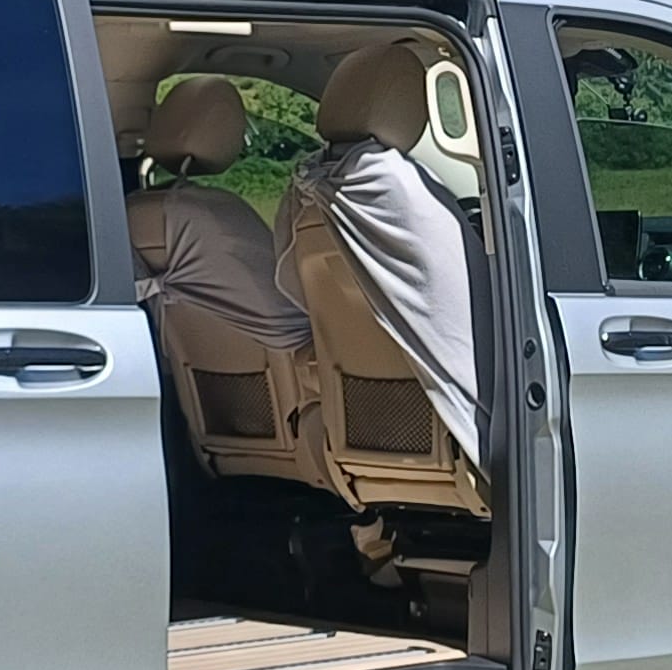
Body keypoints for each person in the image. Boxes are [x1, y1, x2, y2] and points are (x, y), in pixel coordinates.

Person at [282, 41, 479, 456]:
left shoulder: (306, 193)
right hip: (447, 435)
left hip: (358, 440)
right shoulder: (407, 196)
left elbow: (289, 301)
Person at [126, 76, 309, 351]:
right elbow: (291, 326)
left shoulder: (128, 214)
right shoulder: (221, 218)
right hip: (279, 388)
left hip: (194, 387)